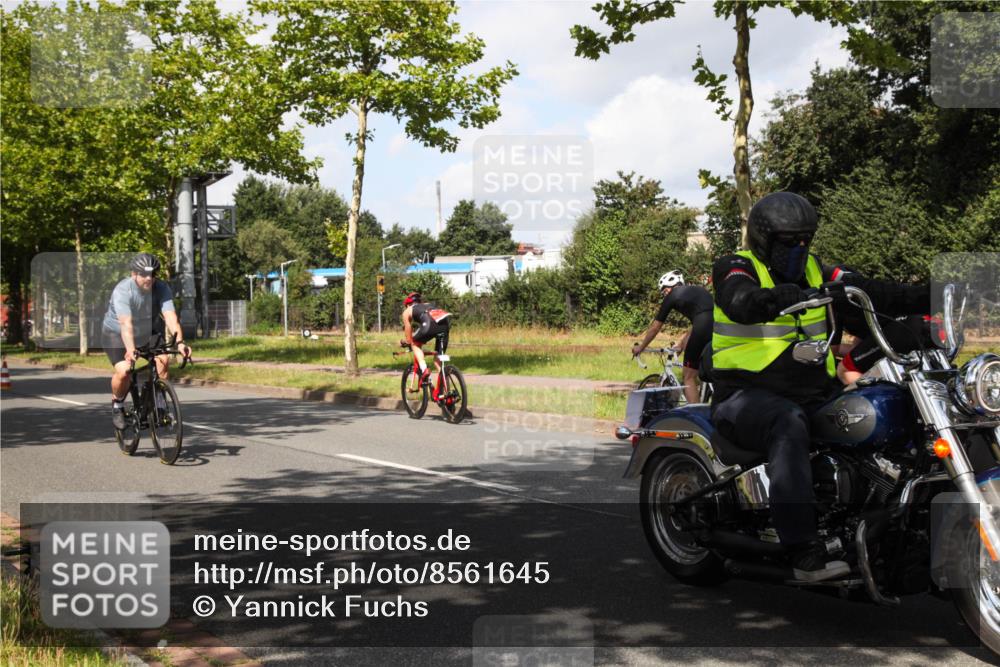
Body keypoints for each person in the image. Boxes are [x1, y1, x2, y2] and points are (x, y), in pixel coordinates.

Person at [710, 192, 929, 582]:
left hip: (813, 392)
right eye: (788, 241)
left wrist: (935, 292)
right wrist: (774, 298)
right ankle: (802, 549)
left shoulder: (818, 272)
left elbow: (876, 292)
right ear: (763, 239)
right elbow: (738, 299)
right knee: (787, 422)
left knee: (886, 410)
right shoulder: (736, 266)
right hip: (744, 396)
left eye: (805, 239)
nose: (798, 248)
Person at [103, 253, 191, 430]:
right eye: (144, 274)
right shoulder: (123, 291)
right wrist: (130, 349)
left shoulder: (161, 288)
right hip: (116, 333)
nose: (149, 279)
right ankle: (117, 405)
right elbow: (126, 324)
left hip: (146, 330)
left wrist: (180, 343)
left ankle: (159, 403)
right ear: (133, 274)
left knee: (163, 360)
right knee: (125, 371)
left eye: (152, 274)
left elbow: (170, 317)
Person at [632, 270, 713, 404]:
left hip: (703, 325)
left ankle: (697, 415)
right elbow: (698, 324)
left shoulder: (673, 295)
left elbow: (655, 327)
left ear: (670, 287)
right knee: (706, 369)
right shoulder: (697, 290)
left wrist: (641, 347)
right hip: (719, 325)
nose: (665, 294)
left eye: (664, 291)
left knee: (688, 377)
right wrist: (681, 345)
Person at [837, 314, 945, 385]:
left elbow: (837, 349)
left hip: (905, 331)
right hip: (928, 322)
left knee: (845, 370)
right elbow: (860, 349)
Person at [401, 292, 451, 384]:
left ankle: (424, 369)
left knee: (414, 343)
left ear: (407, 304)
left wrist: (407, 341)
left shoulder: (407, 311)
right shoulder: (428, 304)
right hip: (445, 324)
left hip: (429, 324)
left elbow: (408, 330)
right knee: (438, 360)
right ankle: (446, 391)